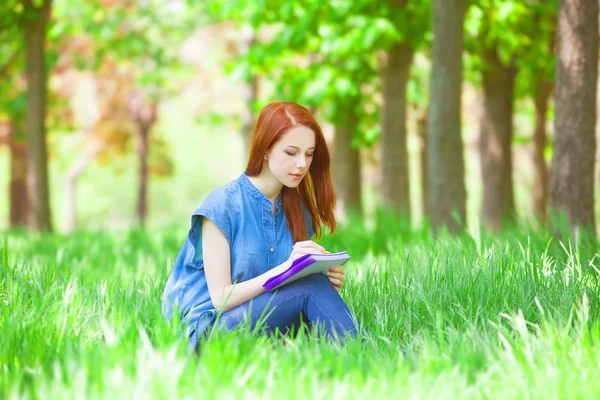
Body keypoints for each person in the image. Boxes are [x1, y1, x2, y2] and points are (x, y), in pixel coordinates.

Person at [162, 101, 364, 351]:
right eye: (291, 153)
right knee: (310, 288)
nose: (302, 163)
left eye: (309, 154)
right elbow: (221, 299)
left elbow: (289, 291)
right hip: (210, 333)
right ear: (266, 149)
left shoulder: (297, 210)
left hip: (263, 326)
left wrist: (325, 282)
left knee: (314, 286)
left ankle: (364, 352)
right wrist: (287, 271)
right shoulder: (222, 206)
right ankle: (375, 352)